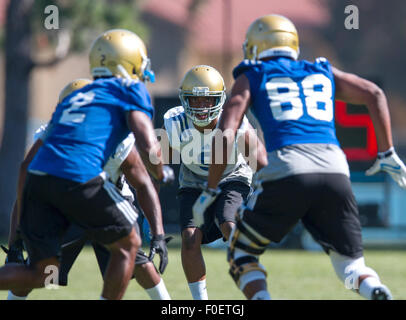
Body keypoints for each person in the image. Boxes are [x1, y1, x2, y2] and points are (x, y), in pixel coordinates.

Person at [193, 14, 406, 300]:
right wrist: (387, 152)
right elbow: (374, 93)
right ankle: (376, 290)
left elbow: (226, 130)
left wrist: (210, 187)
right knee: (351, 265)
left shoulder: (253, 74)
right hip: (335, 168)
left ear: (255, 47)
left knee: (241, 253)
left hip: (287, 168)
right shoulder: (320, 70)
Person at [0, 29, 173, 300]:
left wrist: (18, 234)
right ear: (129, 63)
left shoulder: (73, 98)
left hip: (40, 180)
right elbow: (148, 142)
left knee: (41, 273)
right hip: (79, 177)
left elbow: (25, 167)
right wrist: (162, 170)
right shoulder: (129, 88)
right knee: (130, 243)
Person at [162, 65, 267, 299]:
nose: (201, 107)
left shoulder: (234, 122)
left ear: (218, 100)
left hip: (231, 175)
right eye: (195, 100)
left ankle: (254, 287)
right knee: (189, 239)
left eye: (207, 100)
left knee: (229, 225)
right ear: (184, 99)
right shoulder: (175, 122)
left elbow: (260, 161)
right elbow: (156, 159)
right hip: (193, 180)